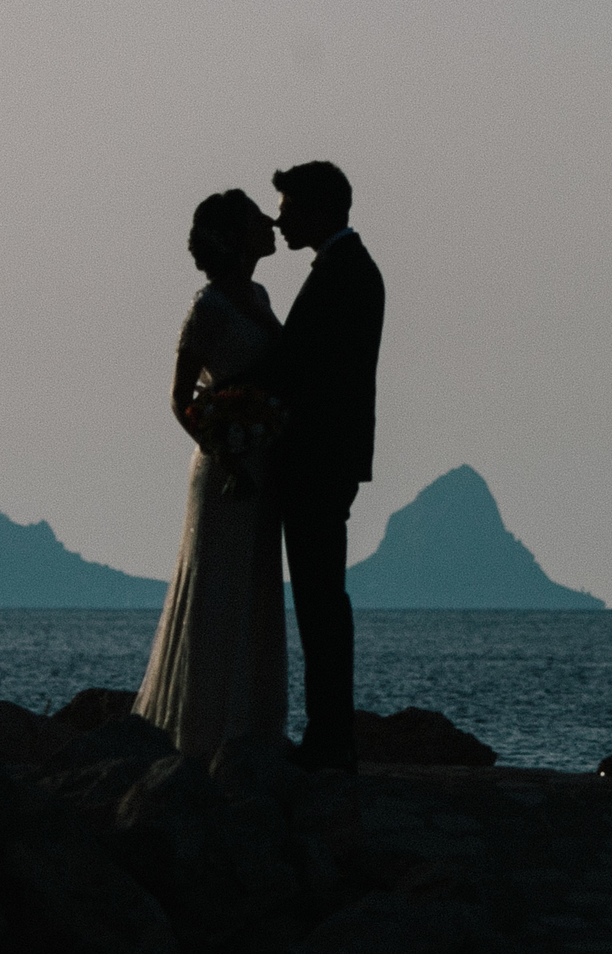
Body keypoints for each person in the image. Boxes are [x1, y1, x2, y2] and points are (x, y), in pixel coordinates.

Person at [132, 190, 289, 753]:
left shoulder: (260, 295)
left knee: (255, 588)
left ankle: (251, 726)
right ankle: (204, 730)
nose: (270, 222)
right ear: (235, 237)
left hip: (262, 458)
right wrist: (222, 448)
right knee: (217, 592)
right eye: (256, 219)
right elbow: (181, 397)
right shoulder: (209, 308)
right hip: (224, 465)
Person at [257, 159, 384, 771]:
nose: (279, 221)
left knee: (320, 599)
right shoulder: (348, 269)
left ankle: (330, 734)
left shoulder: (345, 274)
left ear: (319, 210)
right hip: (326, 458)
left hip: (318, 459)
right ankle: (329, 729)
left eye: (288, 210)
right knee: (318, 596)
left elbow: (309, 370)